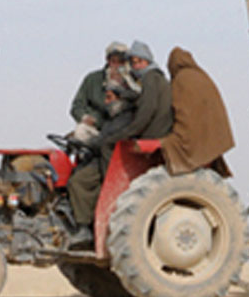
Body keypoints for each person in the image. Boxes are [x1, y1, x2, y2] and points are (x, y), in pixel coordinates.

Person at [67, 40, 172, 227]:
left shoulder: (141, 81)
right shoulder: (94, 80)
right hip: (101, 135)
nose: (116, 64)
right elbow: (77, 106)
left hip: (118, 139)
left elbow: (142, 111)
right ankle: (81, 221)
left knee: (84, 178)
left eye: (121, 61)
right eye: (112, 60)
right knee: (77, 171)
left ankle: (91, 222)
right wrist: (88, 121)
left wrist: (120, 132)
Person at [159, 47, 235, 176]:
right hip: (211, 135)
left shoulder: (181, 80)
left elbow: (180, 112)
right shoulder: (202, 76)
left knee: (168, 144)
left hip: (190, 137)